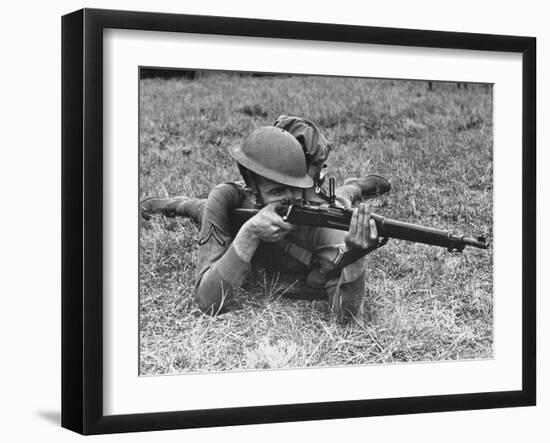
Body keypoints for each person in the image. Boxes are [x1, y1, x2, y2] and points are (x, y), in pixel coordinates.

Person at [141, 116, 390, 323]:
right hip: (231, 206)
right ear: (252, 192)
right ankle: (176, 202)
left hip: (332, 205)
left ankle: (355, 185)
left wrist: (356, 259)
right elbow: (207, 302)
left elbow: (346, 318)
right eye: (276, 191)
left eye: (295, 188)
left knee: (342, 201)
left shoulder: (320, 221)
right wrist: (249, 234)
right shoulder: (230, 198)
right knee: (200, 207)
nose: (290, 199)